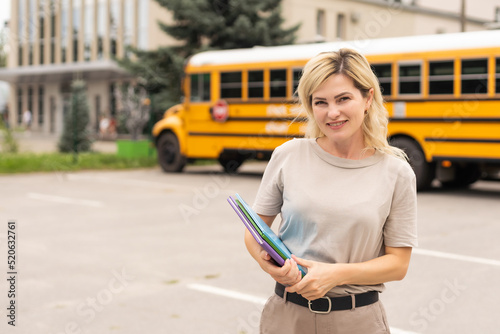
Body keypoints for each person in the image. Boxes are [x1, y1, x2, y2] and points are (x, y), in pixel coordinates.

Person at [245, 48, 417, 334]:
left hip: (356, 320)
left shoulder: (397, 173)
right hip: (287, 317)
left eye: (343, 99)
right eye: (320, 102)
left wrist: (335, 275)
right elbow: (255, 233)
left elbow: (398, 264)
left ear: (368, 98)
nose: (332, 112)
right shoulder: (288, 155)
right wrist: (270, 265)